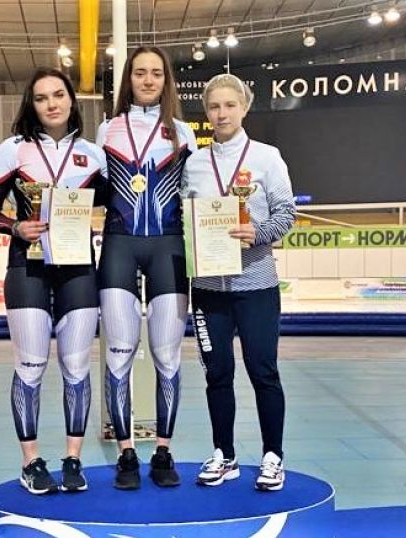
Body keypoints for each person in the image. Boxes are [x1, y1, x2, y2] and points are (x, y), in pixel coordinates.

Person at [0, 67, 106, 494]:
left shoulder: (93, 154)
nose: (51, 103)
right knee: (30, 366)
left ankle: (73, 459)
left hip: (78, 268)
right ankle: (30, 462)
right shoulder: (13, 149)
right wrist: (15, 227)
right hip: (27, 268)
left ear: (72, 99)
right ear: (31, 105)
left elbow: (117, 204)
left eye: (58, 94)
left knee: (76, 367)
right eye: (41, 97)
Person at [181, 73, 295, 491]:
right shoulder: (194, 163)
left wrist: (258, 233)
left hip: (256, 286)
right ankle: (224, 455)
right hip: (208, 290)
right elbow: (185, 217)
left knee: (263, 371)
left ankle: (272, 456)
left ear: (244, 108)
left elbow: (286, 213)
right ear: (206, 112)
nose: (222, 113)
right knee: (217, 373)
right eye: (214, 106)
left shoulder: (267, 157)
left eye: (230, 105)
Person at [96, 46, 197, 489]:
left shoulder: (183, 132)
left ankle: (162, 450)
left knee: (167, 355)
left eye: (157, 73)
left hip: (168, 248)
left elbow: (196, 193)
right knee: (119, 352)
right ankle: (126, 453)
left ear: (166, 80)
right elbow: (95, 190)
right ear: (129, 79)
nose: (149, 80)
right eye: (140, 72)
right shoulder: (107, 129)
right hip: (118, 245)